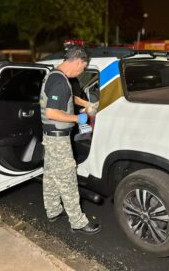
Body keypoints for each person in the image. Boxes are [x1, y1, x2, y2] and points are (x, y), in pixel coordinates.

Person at [39, 44, 102, 234]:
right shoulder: (60, 81)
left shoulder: (54, 75)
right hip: (58, 140)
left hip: (49, 137)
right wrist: (78, 118)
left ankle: (53, 210)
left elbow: (69, 97)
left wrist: (87, 104)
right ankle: (78, 222)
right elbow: (52, 112)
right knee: (68, 180)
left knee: (50, 176)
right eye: (83, 67)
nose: (82, 71)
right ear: (77, 61)